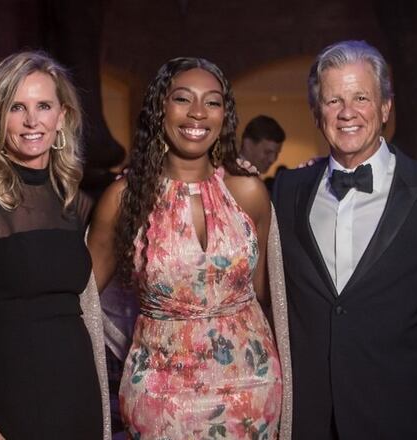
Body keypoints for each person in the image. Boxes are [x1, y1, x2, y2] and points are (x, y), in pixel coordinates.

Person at [89, 57, 292, 439]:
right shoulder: (123, 199)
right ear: (159, 109)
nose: (198, 113)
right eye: (183, 99)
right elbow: (82, 298)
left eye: (212, 102)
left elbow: (266, 295)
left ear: (224, 115)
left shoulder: (247, 192)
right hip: (160, 398)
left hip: (251, 389)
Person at [272, 40, 417, 439]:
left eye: (360, 98)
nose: (347, 112)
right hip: (307, 421)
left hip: (401, 418)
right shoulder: (286, 191)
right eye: (333, 100)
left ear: (385, 107)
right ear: (317, 113)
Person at [0, 51, 108, 439]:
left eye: (43, 106)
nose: (32, 121)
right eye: (17, 107)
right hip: (6, 397)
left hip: (76, 392)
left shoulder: (73, 200)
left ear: (62, 116)